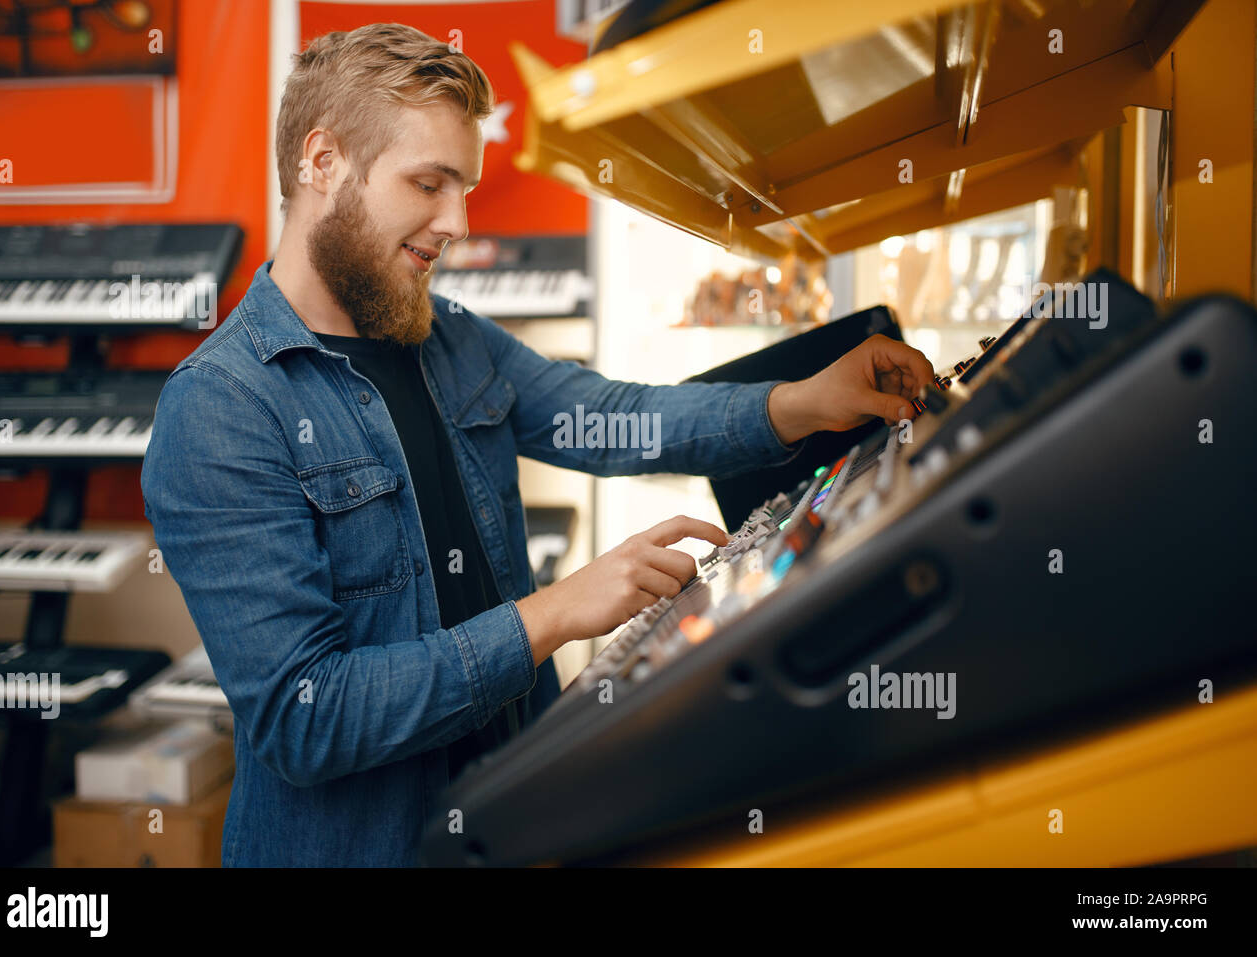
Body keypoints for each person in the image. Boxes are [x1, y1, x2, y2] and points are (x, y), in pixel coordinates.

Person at [140, 22, 935, 867]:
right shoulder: (221, 408)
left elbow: (610, 413)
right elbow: (308, 717)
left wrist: (804, 402)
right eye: (429, 183)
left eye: (465, 186)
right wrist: (554, 615)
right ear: (323, 161)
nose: (457, 220)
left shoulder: (448, 336)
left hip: (512, 816)